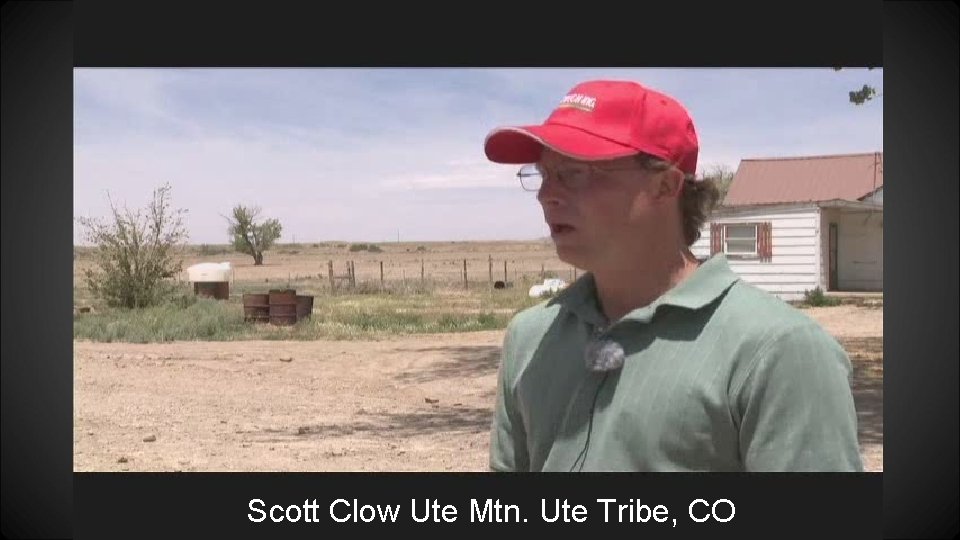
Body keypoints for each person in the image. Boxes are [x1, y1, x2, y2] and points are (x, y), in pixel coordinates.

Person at [482, 79, 863, 472]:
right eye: (543, 174)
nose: (547, 195)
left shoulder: (778, 351)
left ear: (665, 184)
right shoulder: (530, 338)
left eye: (574, 173)